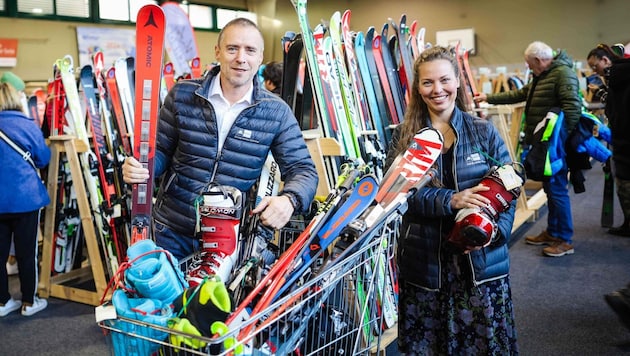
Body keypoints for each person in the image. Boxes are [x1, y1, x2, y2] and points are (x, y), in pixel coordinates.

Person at [122, 18, 318, 282]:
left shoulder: (276, 112)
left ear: (260, 57)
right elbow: (160, 151)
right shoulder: (182, 95)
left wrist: (289, 200)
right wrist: (141, 167)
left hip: (225, 241)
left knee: (208, 318)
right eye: (232, 48)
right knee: (163, 313)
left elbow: (302, 169)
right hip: (171, 230)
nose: (241, 58)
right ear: (217, 51)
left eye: (250, 50)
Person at [387, 46, 518, 354]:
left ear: (458, 81)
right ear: (418, 88)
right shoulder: (405, 137)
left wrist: (493, 234)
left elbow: (509, 191)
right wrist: (451, 200)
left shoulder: (483, 132)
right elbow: (396, 196)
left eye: (445, 80)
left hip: (478, 267)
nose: (438, 90)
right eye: (428, 82)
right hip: (425, 266)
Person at [475, 41, 582, 257]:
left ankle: (564, 240)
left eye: (530, 64)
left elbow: (573, 107)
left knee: (558, 189)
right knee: (551, 188)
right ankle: (554, 232)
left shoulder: (562, 74)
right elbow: (522, 94)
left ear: (540, 60)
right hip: (544, 142)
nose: (529, 68)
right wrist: (488, 98)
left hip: (553, 144)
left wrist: (558, 141)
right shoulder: (543, 75)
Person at [0, 82, 50, 316]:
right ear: (15, 99)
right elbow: (42, 158)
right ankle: (29, 302)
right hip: (26, 198)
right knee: (26, 252)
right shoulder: (27, 125)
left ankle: (2, 301)